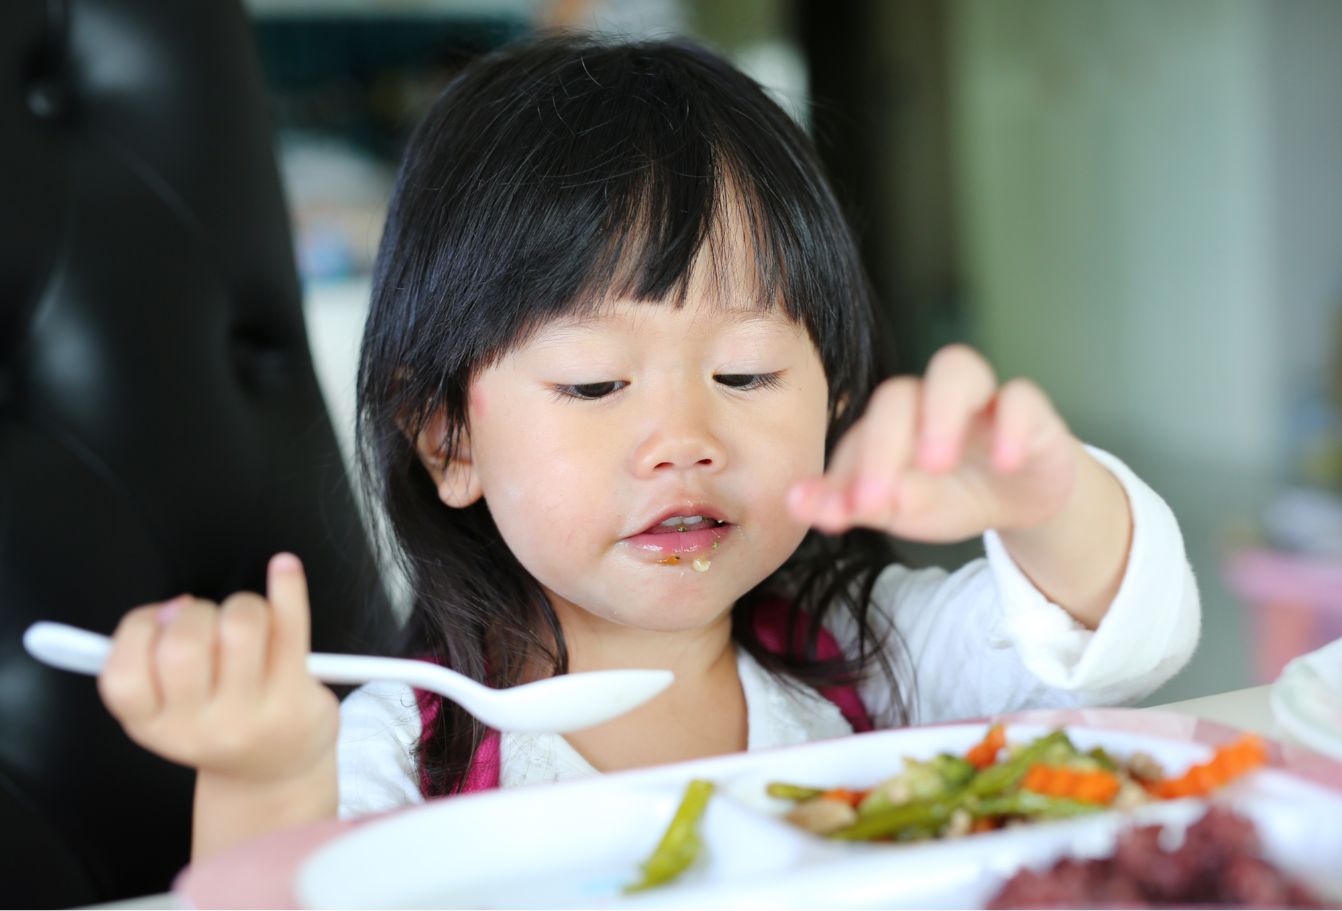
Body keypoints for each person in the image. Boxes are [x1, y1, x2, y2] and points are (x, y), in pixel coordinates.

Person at [95, 34, 1200, 861]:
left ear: (835, 395)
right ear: (447, 437)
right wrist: (262, 771)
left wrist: (1045, 497)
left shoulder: (877, 659)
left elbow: (1119, 640)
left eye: (746, 374)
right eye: (594, 382)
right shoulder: (407, 751)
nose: (685, 439)